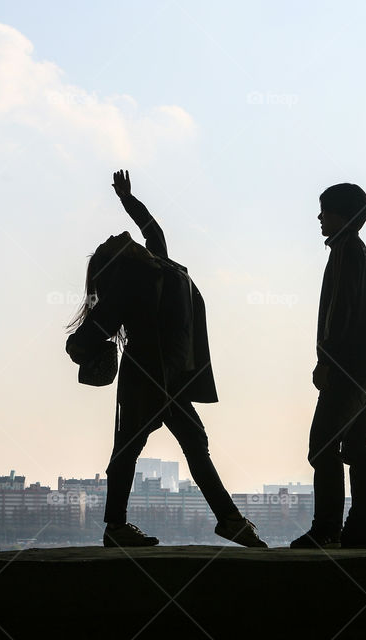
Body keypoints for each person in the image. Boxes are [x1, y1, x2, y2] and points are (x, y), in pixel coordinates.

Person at [66, 170, 266, 548]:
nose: (116, 236)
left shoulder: (155, 268)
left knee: (159, 445)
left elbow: (151, 229)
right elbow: (95, 329)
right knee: (145, 448)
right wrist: (77, 345)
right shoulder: (142, 277)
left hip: (157, 378)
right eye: (113, 243)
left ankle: (224, 520)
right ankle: (223, 521)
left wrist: (127, 200)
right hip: (155, 378)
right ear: (120, 261)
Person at [290, 183, 366, 549]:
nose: (319, 217)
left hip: (346, 365)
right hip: (364, 364)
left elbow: (337, 314)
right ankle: (361, 531)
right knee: (359, 446)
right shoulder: (353, 250)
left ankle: (327, 528)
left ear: (341, 215)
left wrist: (325, 360)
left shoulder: (346, 251)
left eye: (325, 211)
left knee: (322, 445)